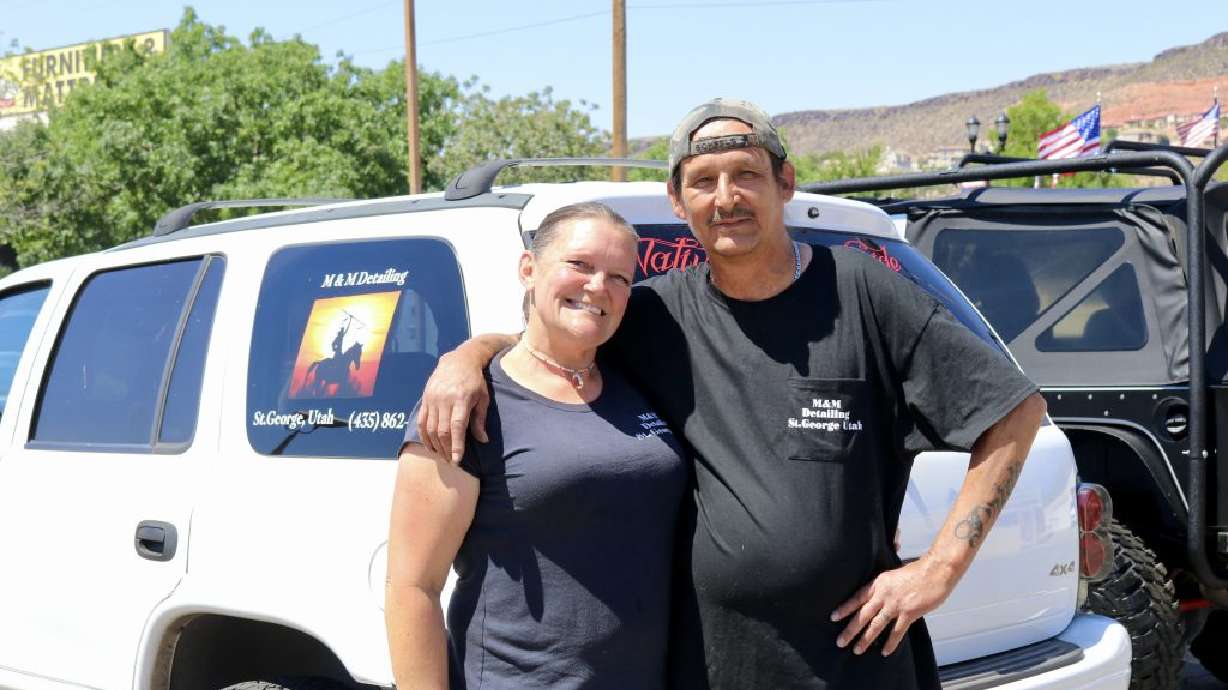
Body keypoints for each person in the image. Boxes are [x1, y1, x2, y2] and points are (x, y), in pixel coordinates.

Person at [415, 98, 1048, 689]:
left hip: (854, 661)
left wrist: (940, 570)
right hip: (708, 665)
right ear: (677, 200)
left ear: (786, 182)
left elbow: (1015, 411)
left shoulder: (864, 293)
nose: (726, 198)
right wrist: (467, 356)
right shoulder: (655, 316)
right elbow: (561, 334)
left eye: (745, 174)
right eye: (703, 181)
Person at [384, 202, 687, 689]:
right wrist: (465, 359)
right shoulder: (467, 402)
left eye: (619, 278)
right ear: (529, 269)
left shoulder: (637, 378)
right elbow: (413, 588)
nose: (597, 287)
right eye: (580, 265)